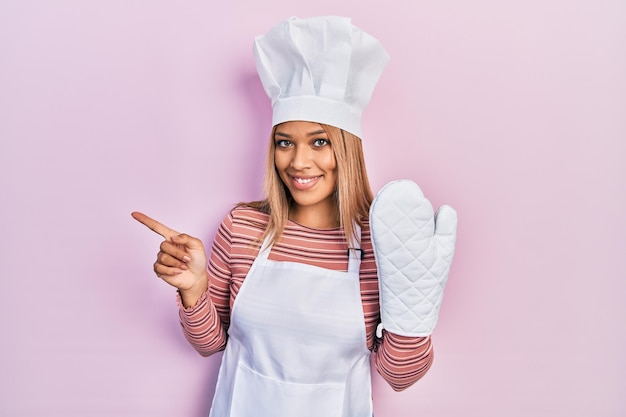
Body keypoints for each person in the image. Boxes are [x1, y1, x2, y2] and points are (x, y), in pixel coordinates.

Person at [133, 15, 457, 417]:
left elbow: (398, 376)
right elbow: (210, 344)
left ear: (347, 150)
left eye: (319, 142)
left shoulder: (382, 244)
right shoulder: (243, 227)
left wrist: (415, 304)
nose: (299, 162)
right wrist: (193, 288)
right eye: (284, 142)